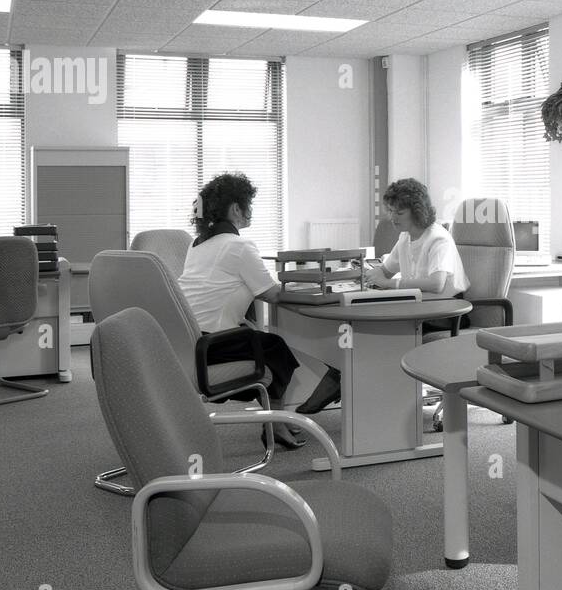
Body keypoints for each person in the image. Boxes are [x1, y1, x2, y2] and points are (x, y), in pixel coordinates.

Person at [296, 178, 469, 415]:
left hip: (443, 313)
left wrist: (391, 283)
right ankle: (343, 378)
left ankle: (348, 385)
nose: (393, 217)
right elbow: (384, 270)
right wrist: (356, 277)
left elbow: (437, 284)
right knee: (351, 332)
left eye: (400, 211)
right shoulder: (406, 237)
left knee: (365, 338)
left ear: (416, 210)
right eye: (391, 210)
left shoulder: (438, 238)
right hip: (416, 309)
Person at [178, 172, 304, 448]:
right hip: (213, 344)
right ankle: (275, 426)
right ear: (236, 208)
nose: (250, 211)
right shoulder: (239, 245)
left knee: (264, 341)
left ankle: (276, 420)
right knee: (277, 349)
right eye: (248, 204)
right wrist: (311, 291)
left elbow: (217, 291)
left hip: (188, 338)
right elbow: (271, 293)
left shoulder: (197, 244)